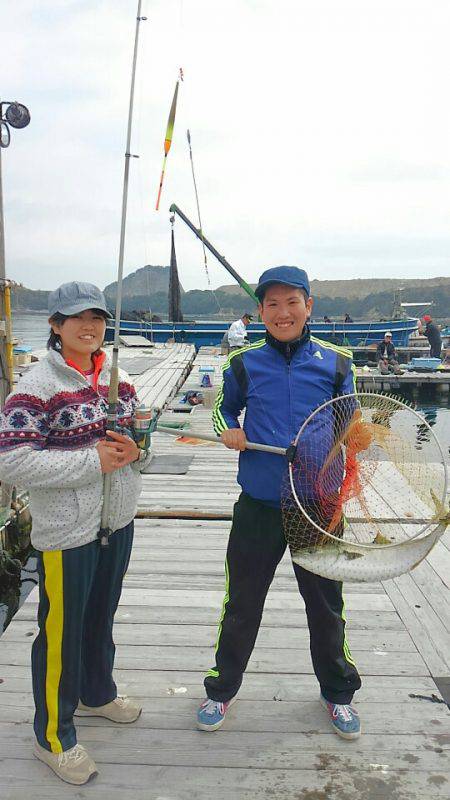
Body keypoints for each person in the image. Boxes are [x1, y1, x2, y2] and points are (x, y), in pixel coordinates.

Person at [199, 266, 362, 740]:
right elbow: (221, 409)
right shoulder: (244, 363)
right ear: (260, 312)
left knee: (326, 606)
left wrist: (361, 437)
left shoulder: (337, 363)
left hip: (319, 506)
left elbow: (350, 419)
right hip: (260, 506)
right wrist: (228, 429)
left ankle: (337, 695)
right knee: (242, 604)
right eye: (272, 304)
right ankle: (221, 689)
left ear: (309, 307)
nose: (283, 312)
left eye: (293, 302)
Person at [0, 282, 152, 785]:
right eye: (76, 317)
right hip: (67, 532)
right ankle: (53, 736)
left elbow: (139, 440)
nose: (89, 327)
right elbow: (13, 460)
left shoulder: (119, 378)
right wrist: (92, 461)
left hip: (118, 520)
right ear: (55, 325)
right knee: (60, 633)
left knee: (100, 617)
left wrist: (138, 451)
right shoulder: (35, 386)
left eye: (98, 317)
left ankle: (97, 693)